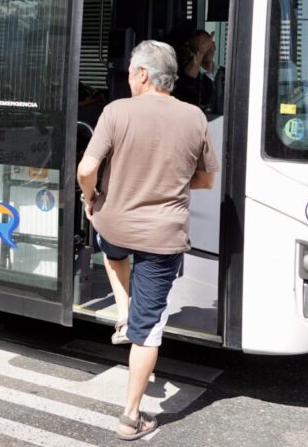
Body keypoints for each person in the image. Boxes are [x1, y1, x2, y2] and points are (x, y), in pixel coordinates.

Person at [76, 40, 218, 440]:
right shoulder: (194, 117)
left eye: (129, 74)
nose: (128, 80)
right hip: (163, 235)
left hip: (114, 224)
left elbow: (87, 169)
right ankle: (131, 415)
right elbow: (206, 180)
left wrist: (91, 199)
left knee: (112, 251)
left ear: (142, 75)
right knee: (148, 329)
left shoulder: (115, 111)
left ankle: (123, 309)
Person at [174, 30, 216, 112]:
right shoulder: (190, 76)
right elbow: (187, 85)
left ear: (214, 46)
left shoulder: (225, 73)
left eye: (208, 44)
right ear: (193, 52)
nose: (205, 48)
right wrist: (200, 54)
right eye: (200, 47)